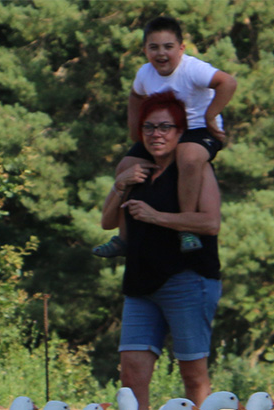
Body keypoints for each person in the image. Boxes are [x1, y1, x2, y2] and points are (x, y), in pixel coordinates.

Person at [101, 91, 224, 410]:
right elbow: (107, 222)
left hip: (188, 280)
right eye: (149, 127)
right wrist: (119, 185)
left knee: (192, 373)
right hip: (141, 284)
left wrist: (157, 217)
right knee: (131, 375)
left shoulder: (196, 169)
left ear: (180, 132)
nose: (157, 134)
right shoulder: (136, 172)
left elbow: (210, 223)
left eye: (166, 127)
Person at [94, 15, 237, 258]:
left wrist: (212, 116)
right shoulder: (144, 73)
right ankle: (124, 237)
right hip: (163, 129)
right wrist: (135, 128)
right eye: (154, 47)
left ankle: (186, 228)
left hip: (198, 129)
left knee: (189, 157)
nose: (161, 53)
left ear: (181, 48)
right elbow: (136, 96)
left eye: (168, 47)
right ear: (145, 50)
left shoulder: (193, 68)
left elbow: (228, 82)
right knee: (126, 166)